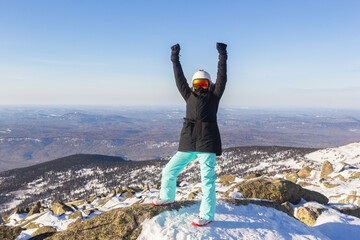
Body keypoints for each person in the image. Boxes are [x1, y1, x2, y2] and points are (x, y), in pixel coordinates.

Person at [152, 42, 228, 227]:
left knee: (207, 181)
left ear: (209, 84)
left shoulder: (214, 96)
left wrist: (222, 55)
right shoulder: (188, 95)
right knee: (169, 171)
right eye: (197, 83)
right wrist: (174, 57)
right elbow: (179, 78)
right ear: (193, 85)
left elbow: (222, 76)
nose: (200, 86)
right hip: (188, 140)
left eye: (204, 83)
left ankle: (206, 215)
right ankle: (167, 197)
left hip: (207, 143)